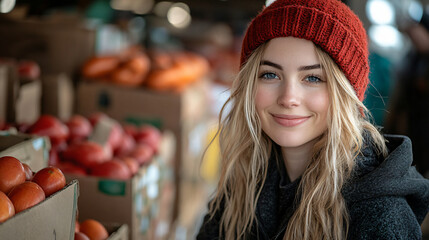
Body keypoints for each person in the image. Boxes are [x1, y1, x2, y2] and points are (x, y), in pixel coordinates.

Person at [196, 0, 429, 239]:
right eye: (270, 74)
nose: (288, 98)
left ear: (345, 93)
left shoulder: (381, 217)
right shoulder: (245, 179)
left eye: (313, 78)